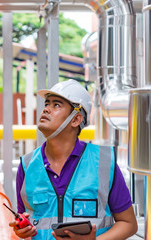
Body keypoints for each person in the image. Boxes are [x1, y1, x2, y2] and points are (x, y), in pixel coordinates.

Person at [9, 80, 137, 239]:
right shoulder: (27, 166)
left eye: (56, 105)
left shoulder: (104, 163)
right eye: (46, 103)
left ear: (76, 119)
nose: (46, 109)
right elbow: (27, 222)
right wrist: (22, 231)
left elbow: (129, 223)